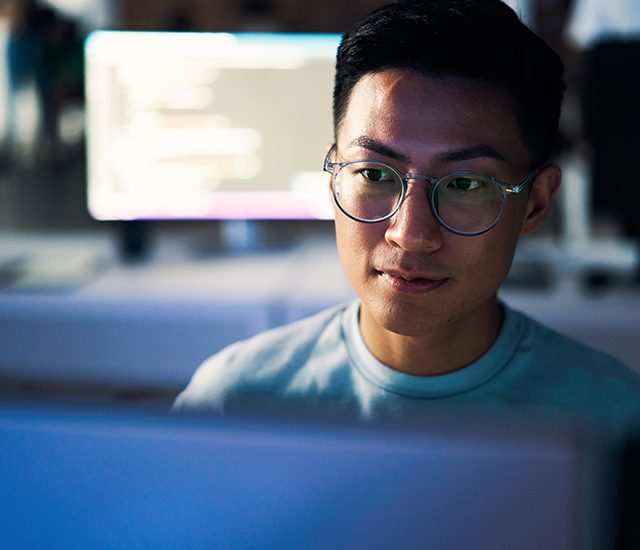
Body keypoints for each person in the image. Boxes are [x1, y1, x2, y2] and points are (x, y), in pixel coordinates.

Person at [173, 0, 640, 425]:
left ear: (535, 203)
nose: (411, 233)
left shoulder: (614, 423)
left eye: (464, 184)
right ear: (333, 173)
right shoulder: (233, 405)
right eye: (374, 175)